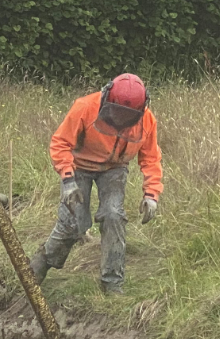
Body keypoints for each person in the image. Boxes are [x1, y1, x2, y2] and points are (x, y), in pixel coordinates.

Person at [29, 72, 162, 295]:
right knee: (74, 223)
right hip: (79, 166)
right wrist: (68, 179)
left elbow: (151, 158)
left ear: (141, 109)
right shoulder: (84, 108)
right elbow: (60, 143)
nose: (120, 120)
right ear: (106, 97)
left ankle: (112, 283)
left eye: (127, 115)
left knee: (114, 216)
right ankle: (39, 265)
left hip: (114, 169)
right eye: (116, 112)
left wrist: (151, 195)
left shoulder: (147, 120)